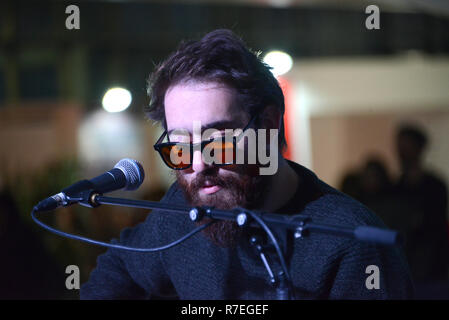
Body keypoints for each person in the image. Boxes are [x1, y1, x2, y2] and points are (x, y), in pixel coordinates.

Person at [80, 29, 413, 299]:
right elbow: (120, 263)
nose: (198, 164)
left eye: (218, 140)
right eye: (179, 147)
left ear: (268, 124)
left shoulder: (352, 245)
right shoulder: (181, 214)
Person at [394, 124, 449, 298]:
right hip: (404, 265)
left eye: (406, 147)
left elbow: (435, 224)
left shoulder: (435, 186)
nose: (401, 153)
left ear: (419, 149)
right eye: (399, 147)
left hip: (432, 267)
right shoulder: (396, 187)